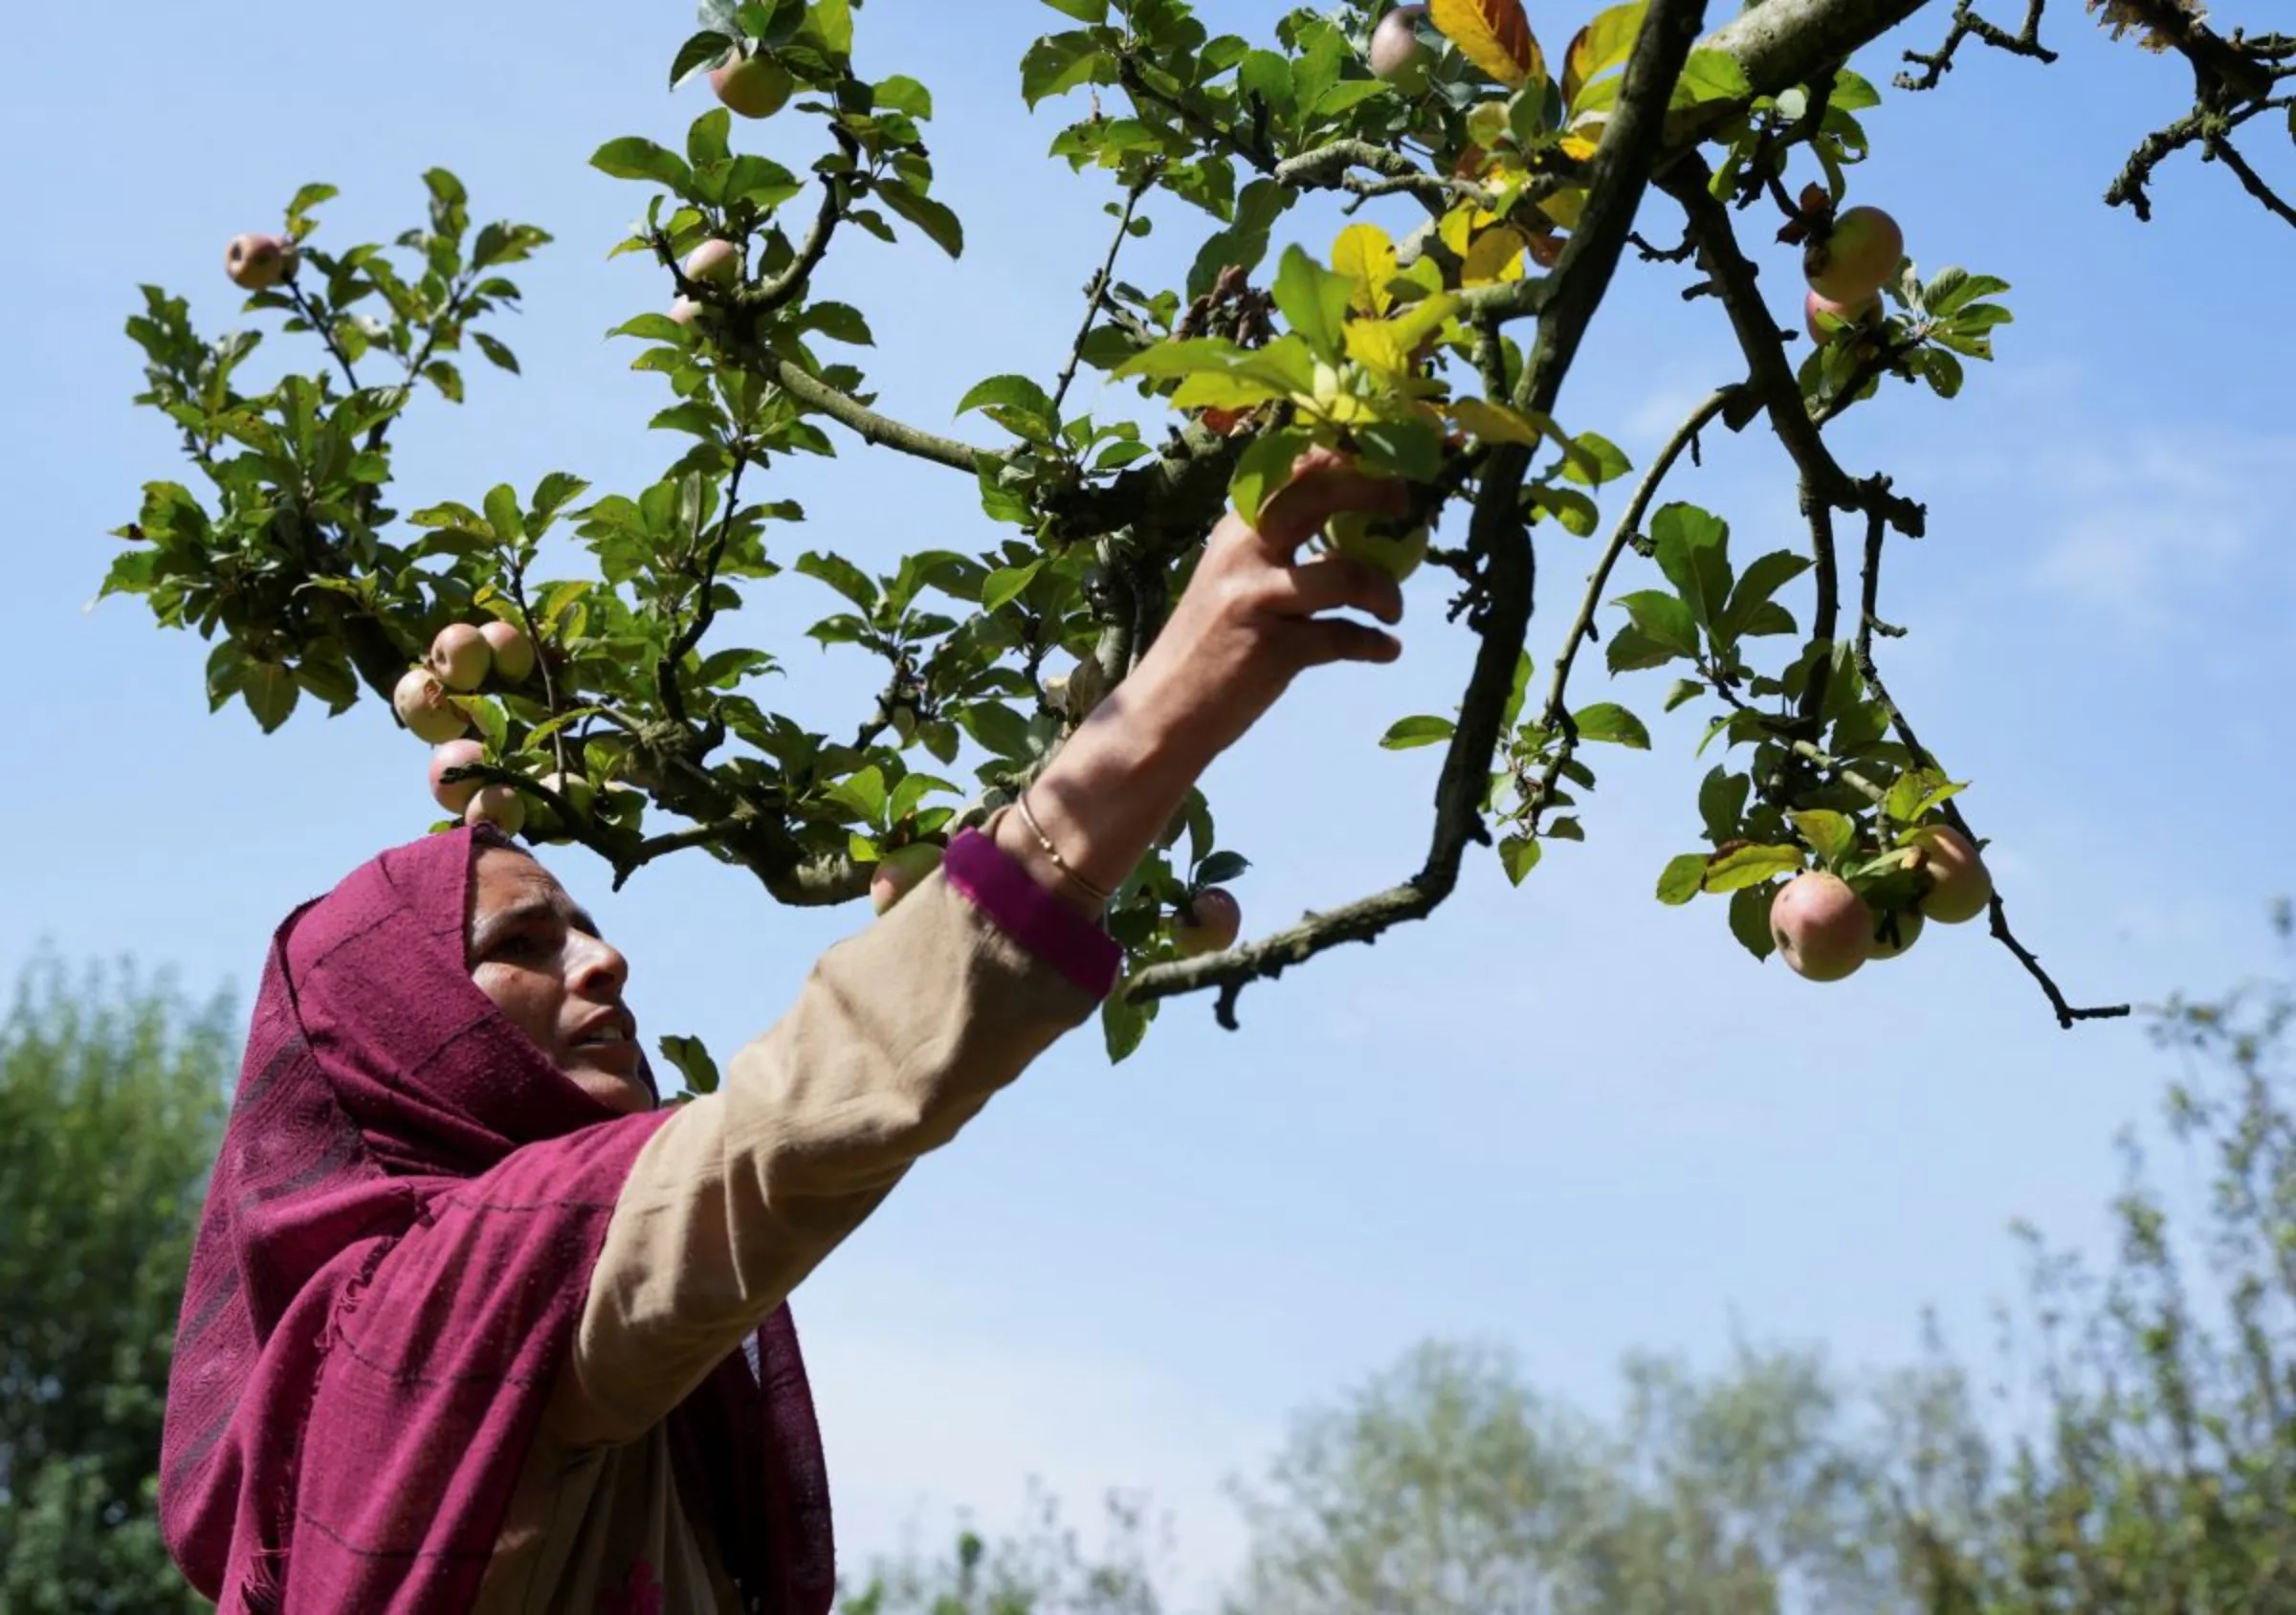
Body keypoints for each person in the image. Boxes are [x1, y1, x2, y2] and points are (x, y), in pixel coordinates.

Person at [157, 451, 1412, 1613]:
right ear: (397, 1039)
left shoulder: (501, 1370)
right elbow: (799, 1117)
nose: (605, 958)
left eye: (584, 924)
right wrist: (1174, 695)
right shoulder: (438, 1315)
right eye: (524, 945)